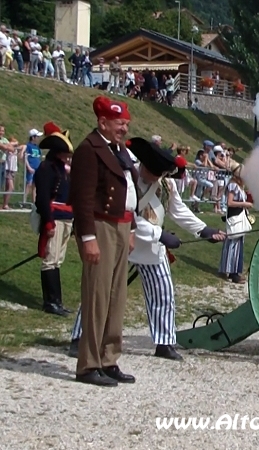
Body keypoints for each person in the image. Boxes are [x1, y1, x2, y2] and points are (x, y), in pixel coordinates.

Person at [68, 137, 227, 360]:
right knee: (99, 291)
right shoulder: (126, 180)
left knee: (163, 294)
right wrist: (159, 234)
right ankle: (80, 337)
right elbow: (128, 216)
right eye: (152, 172)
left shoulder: (166, 184)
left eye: (159, 174)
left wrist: (202, 230)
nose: (155, 177)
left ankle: (164, 342)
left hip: (152, 249)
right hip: (124, 240)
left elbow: (178, 210)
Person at [68, 95, 138, 387]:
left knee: (116, 297)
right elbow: (82, 199)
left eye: (125, 123)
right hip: (101, 226)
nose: (124, 128)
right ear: (103, 123)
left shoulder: (118, 149)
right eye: (119, 124)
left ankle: (109, 358)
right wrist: (88, 237)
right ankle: (89, 364)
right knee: (97, 297)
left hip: (122, 226)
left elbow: (129, 188)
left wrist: (132, 228)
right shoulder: (89, 149)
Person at [34, 122, 74, 317]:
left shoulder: (62, 170)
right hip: (55, 218)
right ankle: (50, 301)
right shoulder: (47, 168)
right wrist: (48, 221)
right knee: (50, 260)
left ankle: (57, 300)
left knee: (58, 259)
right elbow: (42, 198)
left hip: (66, 218)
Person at [219, 165, 252, 283]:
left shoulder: (239, 186)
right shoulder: (233, 185)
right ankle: (232, 272)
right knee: (233, 244)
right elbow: (230, 202)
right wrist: (244, 204)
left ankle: (232, 270)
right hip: (235, 216)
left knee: (236, 244)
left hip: (238, 216)